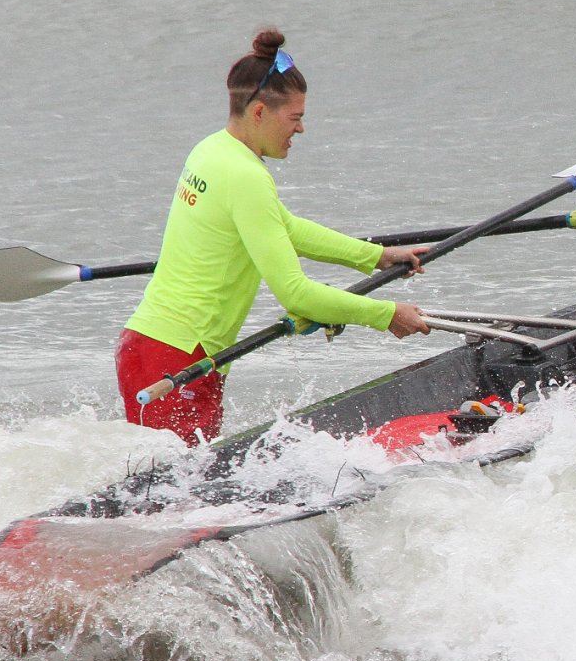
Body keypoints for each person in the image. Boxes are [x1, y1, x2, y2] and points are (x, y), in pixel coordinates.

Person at [116, 28, 431, 443]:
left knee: (174, 494)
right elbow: (296, 295)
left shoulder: (211, 150)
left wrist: (375, 256)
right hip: (176, 362)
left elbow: (285, 227)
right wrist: (386, 315)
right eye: (295, 118)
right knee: (176, 504)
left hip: (149, 346)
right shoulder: (246, 176)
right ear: (260, 112)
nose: (300, 130)